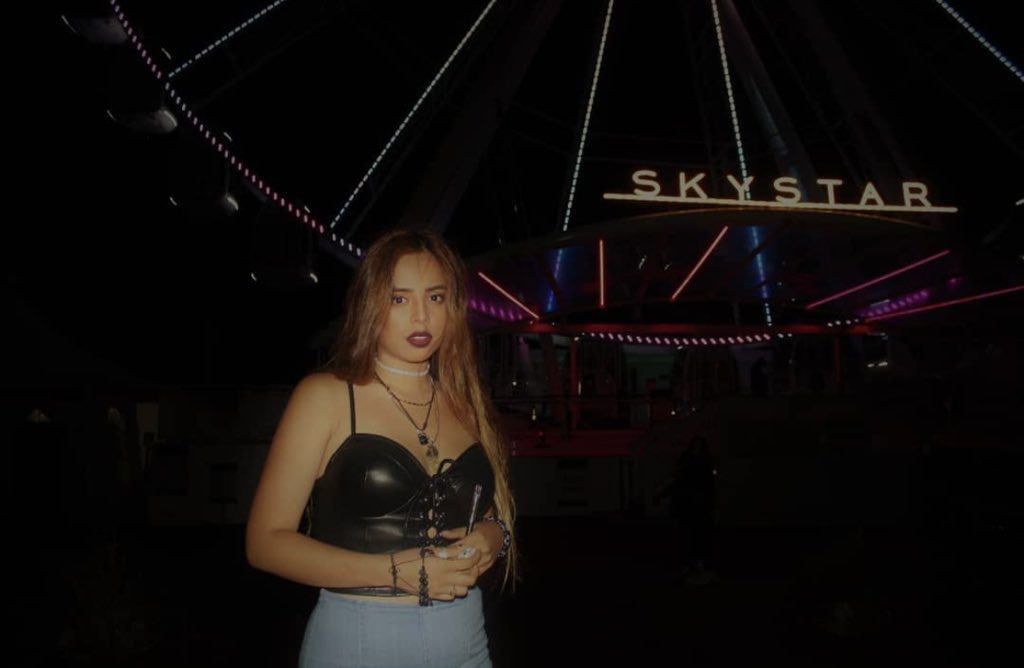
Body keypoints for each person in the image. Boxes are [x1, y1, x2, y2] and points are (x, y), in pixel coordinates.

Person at [246, 228, 515, 667]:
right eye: (399, 298)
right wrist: (391, 572)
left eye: (435, 297)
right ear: (370, 304)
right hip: (361, 638)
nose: (421, 317)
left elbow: (484, 515)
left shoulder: (465, 402)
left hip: (465, 638)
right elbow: (264, 544)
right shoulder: (326, 396)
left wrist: (493, 536)